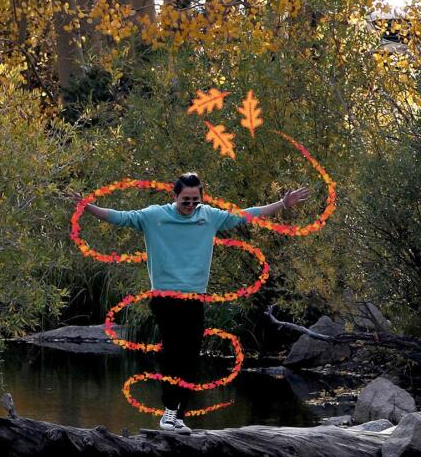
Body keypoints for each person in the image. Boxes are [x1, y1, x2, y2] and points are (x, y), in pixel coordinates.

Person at [72, 172, 311, 431]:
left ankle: (178, 415)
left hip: (195, 298)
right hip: (165, 298)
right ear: (174, 196)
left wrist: (282, 204)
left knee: (189, 358)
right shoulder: (154, 216)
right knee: (173, 354)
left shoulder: (208, 216)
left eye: (195, 200)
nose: (190, 205)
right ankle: (168, 412)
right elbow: (119, 216)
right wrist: (87, 206)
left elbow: (246, 213)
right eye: (186, 200)